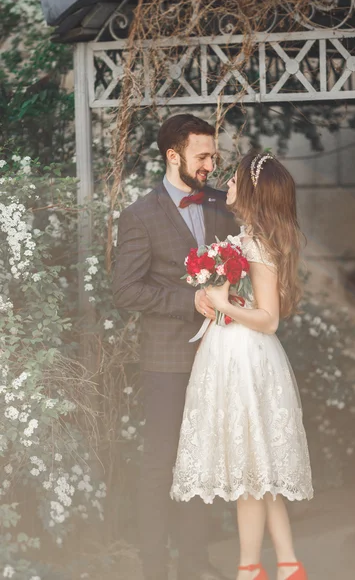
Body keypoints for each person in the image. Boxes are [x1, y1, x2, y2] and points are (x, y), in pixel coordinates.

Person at [171, 152, 313, 580]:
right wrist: (221, 299)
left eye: (233, 179)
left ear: (250, 190)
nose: (227, 184)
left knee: (252, 469)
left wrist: (219, 303)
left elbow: (269, 319)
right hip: (235, 351)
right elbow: (252, 304)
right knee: (258, 467)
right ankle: (286, 564)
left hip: (248, 357)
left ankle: (250, 569)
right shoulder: (250, 237)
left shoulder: (256, 243)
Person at [113, 113, 238, 580]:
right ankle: (153, 567)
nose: (210, 164)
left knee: (203, 460)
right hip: (166, 359)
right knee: (160, 461)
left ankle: (194, 562)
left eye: (213, 155)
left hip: (220, 354)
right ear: (173, 155)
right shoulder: (139, 216)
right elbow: (125, 290)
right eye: (202, 156)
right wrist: (190, 300)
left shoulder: (225, 203)